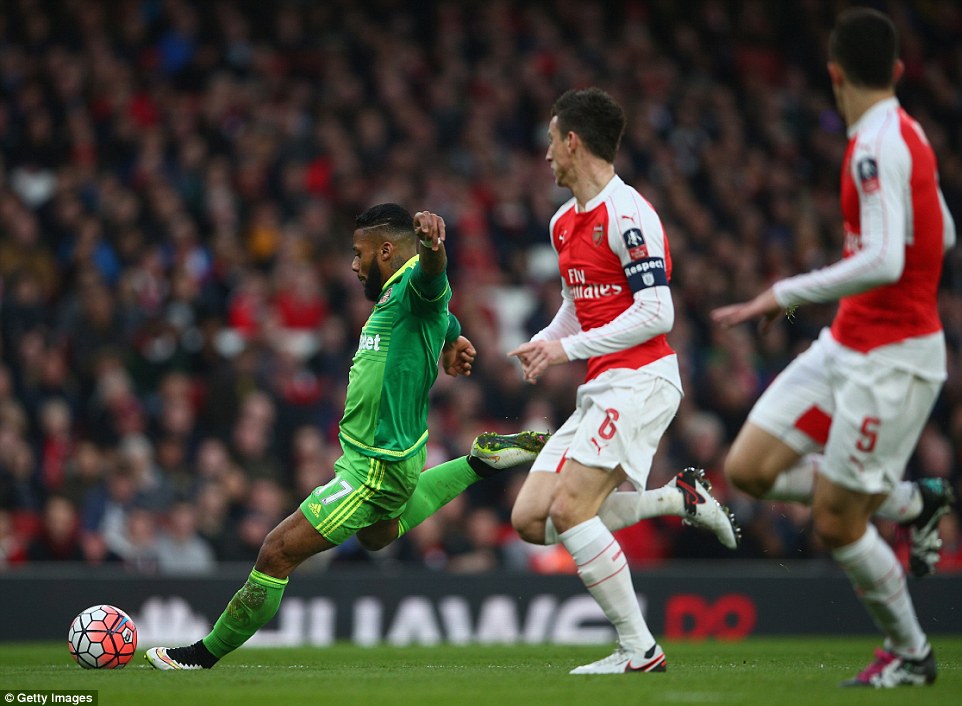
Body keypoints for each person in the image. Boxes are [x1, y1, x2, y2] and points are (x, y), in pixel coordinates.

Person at [146, 203, 548, 669]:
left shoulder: (417, 280)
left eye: (359, 254)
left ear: (386, 250)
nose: (354, 265)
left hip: (374, 468)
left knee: (277, 551)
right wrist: (452, 336)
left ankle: (202, 656)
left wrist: (433, 245)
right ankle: (478, 462)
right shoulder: (400, 292)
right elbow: (439, 307)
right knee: (377, 535)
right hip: (391, 456)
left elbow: (434, 279)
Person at [711, 8, 956, 688]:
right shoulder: (909, 134)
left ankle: (910, 652)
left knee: (838, 521)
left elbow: (883, 258)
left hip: (894, 360)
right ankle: (911, 503)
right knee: (749, 468)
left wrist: (784, 292)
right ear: (898, 71)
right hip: (846, 343)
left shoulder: (876, 146)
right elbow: (944, 233)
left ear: (834, 74)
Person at [508, 87, 740, 676]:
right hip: (602, 383)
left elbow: (658, 313)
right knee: (532, 518)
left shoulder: (629, 214)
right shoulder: (563, 223)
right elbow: (576, 307)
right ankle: (677, 499)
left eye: (551, 142)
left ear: (572, 142)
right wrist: (545, 342)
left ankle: (640, 649)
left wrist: (566, 350)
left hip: (642, 379)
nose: (546, 155)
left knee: (571, 509)